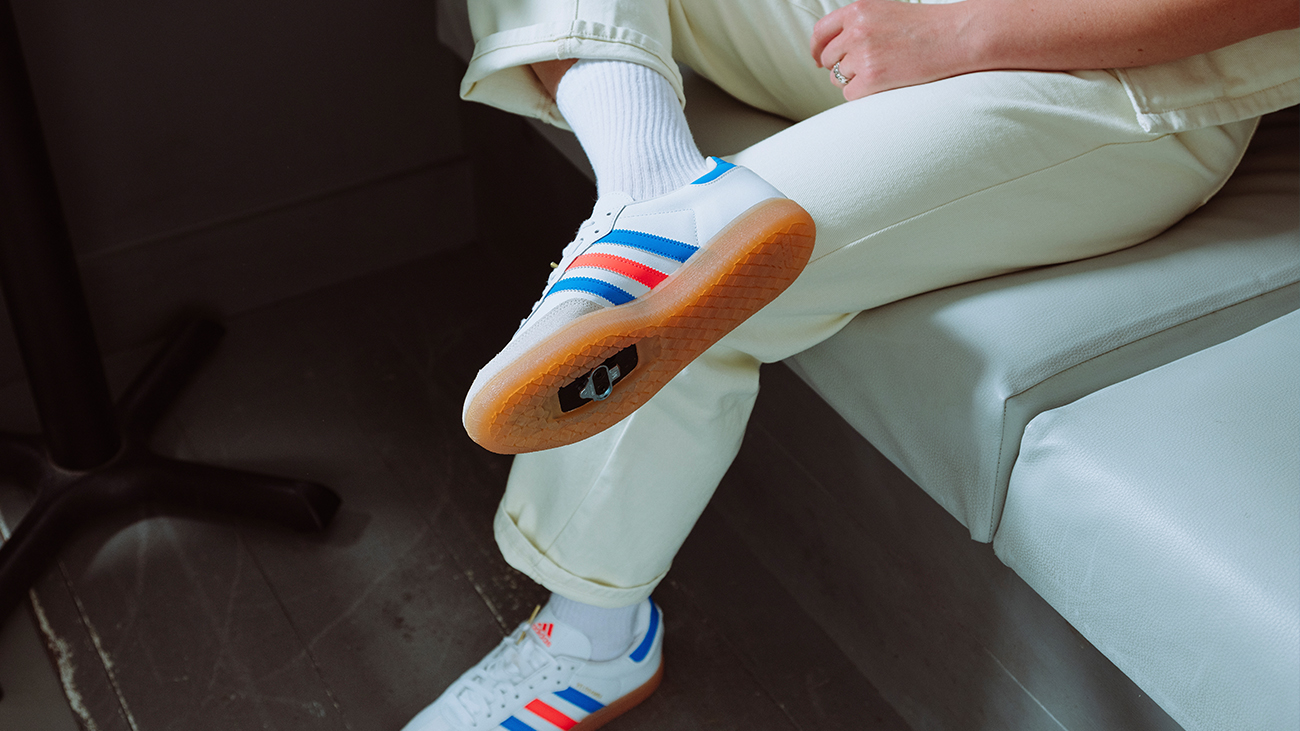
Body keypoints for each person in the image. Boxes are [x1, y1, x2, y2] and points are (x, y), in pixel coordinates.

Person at [404, 1, 1299, 729]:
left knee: (706, 284)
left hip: (1110, 73)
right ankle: (648, 180)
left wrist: (963, 34)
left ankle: (594, 639)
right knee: (687, 246)